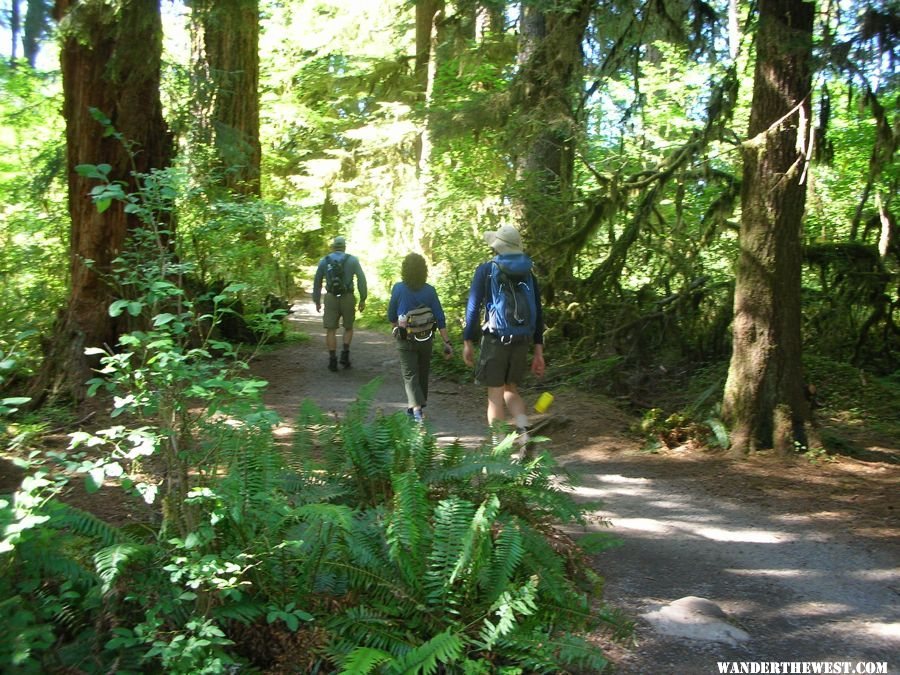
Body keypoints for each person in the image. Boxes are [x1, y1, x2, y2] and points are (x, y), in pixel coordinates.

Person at [462, 224, 545, 448]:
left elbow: (473, 307)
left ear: (496, 246)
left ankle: (499, 447)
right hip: (521, 340)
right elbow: (538, 311)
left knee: (495, 396)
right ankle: (525, 432)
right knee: (511, 388)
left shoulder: (486, 270)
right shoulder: (528, 273)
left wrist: (467, 341)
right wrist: (538, 350)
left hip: (495, 339)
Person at [387, 253, 453, 423]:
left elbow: (391, 314)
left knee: (410, 375)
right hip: (426, 339)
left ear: (404, 270)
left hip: (406, 339)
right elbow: (440, 317)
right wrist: (447, 342)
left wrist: (396, 329)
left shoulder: (399, 288)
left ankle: (416, 412)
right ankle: (417, 408)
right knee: (422, 373)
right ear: (424, 270)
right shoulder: (430, 290)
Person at [312, 235, 367, 372]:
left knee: (331, 330)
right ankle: (345, 355)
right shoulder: (353, 260)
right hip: (348, 297)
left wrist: (317, 300)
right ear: (344, 247)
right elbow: (361, 279)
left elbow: (317, 282)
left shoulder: (324, 261)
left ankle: (332, 360)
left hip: (331, 298)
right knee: (348, 327)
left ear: (333, 247)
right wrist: (363, 298)